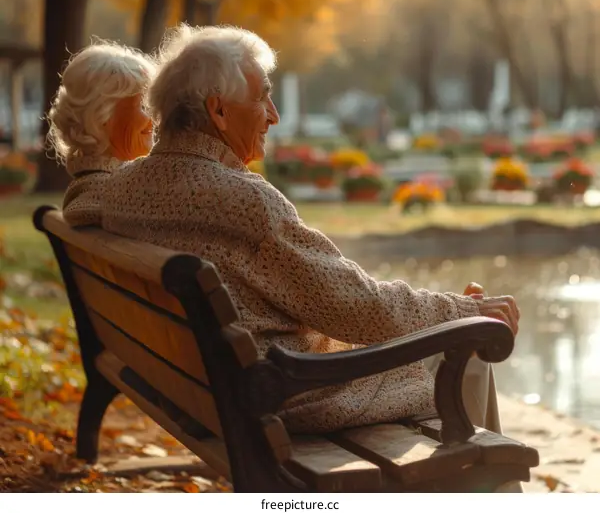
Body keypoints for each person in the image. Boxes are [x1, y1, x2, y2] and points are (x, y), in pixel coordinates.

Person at [100, 23, 520, 436]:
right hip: (286, 395)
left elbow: (79, 201)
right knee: (469, 348)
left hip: (205, 391)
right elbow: (356, 305)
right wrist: (462, 312)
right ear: (219, 110)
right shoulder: (245, 203)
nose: (274, 116)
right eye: (263, 97)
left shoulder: (120, 189)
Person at [46, 41, 156, 226]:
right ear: (101, 117)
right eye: (145, 106)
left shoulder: (91, 188)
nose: (156, 118)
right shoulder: (112, 198)